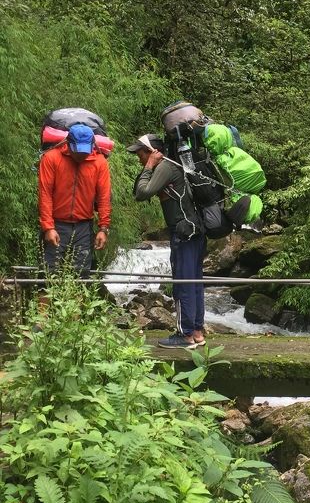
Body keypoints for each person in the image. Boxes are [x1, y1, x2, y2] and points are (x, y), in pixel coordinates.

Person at [128, 134, 206, 350]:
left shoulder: (165, 167)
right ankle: (197, 332)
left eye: (140, 153)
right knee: (194, 282)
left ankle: (186, 335)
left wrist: (150, 166)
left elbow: (142, 193)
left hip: (184, 232)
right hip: (194, 230)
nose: (138, 158)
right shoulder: (174, 165)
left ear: (152, 152)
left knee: (183, 282)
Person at [38, 122, 111, 276]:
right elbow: (45, 194)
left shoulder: (100, 163)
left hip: (84, 227)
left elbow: (104, 197)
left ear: (92, 145)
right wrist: (48, 227)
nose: (81, 155)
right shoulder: (51, 158)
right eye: (78, 151)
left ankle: (77, 301)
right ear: (68, 143)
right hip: (56, 224)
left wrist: (103, 228)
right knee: (47, 276)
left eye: (85, 151)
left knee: (81, 277)